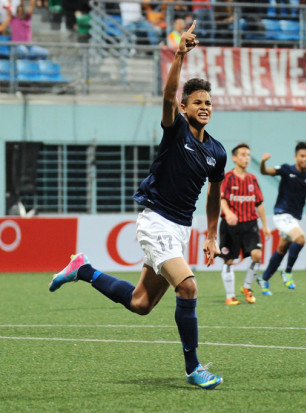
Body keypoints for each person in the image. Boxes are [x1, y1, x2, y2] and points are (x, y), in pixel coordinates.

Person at [48, 21, 228, 390]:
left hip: (179, 228)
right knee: (189, 287)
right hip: (156, 220)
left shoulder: (217, 151)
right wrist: (179, 53)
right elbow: (165, 98)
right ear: (184, 106)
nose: (205, 107)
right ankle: (194, 367)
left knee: (141, 303)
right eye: (198, 102)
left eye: (209, 102)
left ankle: (83, 270)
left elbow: (214, 194)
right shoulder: (175, 128)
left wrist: (211, 235)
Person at [257, 142, 306, 295]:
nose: (305, 158)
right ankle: (287, 272)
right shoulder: (287, 169)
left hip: (294, 218)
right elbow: (265, 172)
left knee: (282, 249)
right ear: (296, 156)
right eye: (302, 156)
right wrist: (263, 162)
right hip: (281, 214)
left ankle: (264, 279)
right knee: (300, 239)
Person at [218, 142, 271, 305]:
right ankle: (230, 296)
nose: (246, 158)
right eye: (242, 155)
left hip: (250, 224)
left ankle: (247, 287)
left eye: (248, 155)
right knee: (229, 260)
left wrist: (265, 225)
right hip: (231, 225)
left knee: (257, 255)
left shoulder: (252, 179)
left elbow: (259, 203)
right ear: (234, 158)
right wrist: (228, 213)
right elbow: (221, 198)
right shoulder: (227, 177)